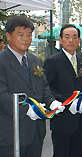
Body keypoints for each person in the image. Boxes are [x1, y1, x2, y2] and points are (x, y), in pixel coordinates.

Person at [0, 16, 64, 157]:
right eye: (20, 35)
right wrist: (26, 109)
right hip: (11, 132)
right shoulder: (2, 60)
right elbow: (2, 95)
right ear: (8, 36)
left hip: (36, 131)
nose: (26, 39)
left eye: (29, 35)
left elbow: (44, 87)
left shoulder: (35, 60)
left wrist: (52, 102)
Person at [44, 25, 82, 157]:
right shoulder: (52, 61)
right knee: (61, 153)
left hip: (81, 119)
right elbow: (47, 89)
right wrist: (64, 103)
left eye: (74, 37)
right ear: (61, 40)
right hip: (62, 119)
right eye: (67, 37)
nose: (71, 40)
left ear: (79, 40)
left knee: (77, 152)